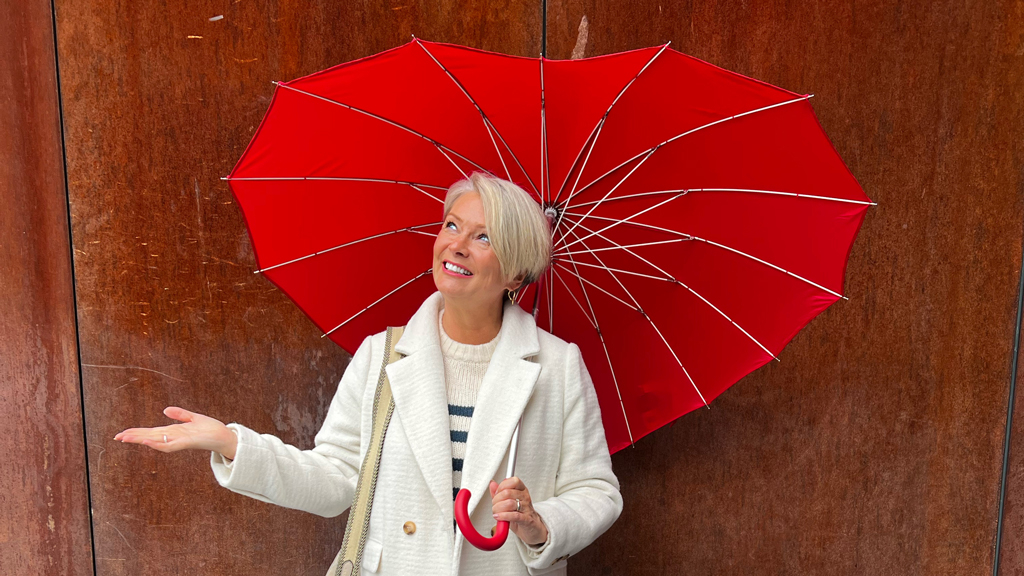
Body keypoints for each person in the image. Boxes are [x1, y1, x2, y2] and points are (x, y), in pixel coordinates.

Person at [115, 172, 622, 575]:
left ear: (515, 272)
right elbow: (337, 478)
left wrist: (538, 524)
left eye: (483, 236)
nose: (457, 245)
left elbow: (597, 492)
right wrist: (233, 444)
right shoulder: (383, 354)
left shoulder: (555, 365)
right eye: (451, 225)